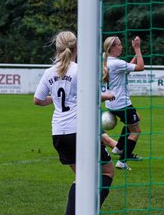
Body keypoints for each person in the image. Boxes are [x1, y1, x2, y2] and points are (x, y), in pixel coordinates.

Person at [33, 31, 115, 215]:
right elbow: (90, 97)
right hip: (79, 132)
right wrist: (107, 96)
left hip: (59, 134)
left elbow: (37, 100)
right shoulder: (79, 70)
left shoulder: (48, 73)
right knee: (107, 172)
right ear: (76, 47)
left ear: (57, 48)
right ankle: (88, 211)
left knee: (81, 179)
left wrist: (54, 100)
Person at [102, 35, 145, 170]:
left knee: (136, 118)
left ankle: (119, 147)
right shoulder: (116, 63)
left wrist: (134, 54)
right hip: (122, 104)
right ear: (112, 48)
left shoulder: (108, 62)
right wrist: (137, 49)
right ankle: (122, 161)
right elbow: (140, 67)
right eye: (119, 44)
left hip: (111, 103)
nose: (121, 47)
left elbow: (128, 67)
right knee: (136, 131)